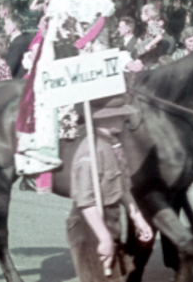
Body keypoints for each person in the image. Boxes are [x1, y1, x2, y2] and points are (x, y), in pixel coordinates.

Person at [15, 0, 126, 176]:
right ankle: (50, 161)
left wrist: (126, 58)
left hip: (102, 69)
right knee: (57, 111)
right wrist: (83, 62)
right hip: (71, 70)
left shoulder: (104, 1)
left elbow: (113, 38)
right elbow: (61, 41)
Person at [66, 96, 153, 281]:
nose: (123, 119)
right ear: (105, 119)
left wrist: (138, 218)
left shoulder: (113, 145)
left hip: (110, 221)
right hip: (90, 227)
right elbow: (86, 202)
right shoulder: (90, 152)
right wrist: (104, 238)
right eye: (119, 115)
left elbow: (122, 187)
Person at [4, 13, 33, 80]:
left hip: (17, 80)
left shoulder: (17, 44)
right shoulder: (24, 39)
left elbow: (10, 67)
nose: (4, 27)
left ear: (13, 27)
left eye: (6, 24)